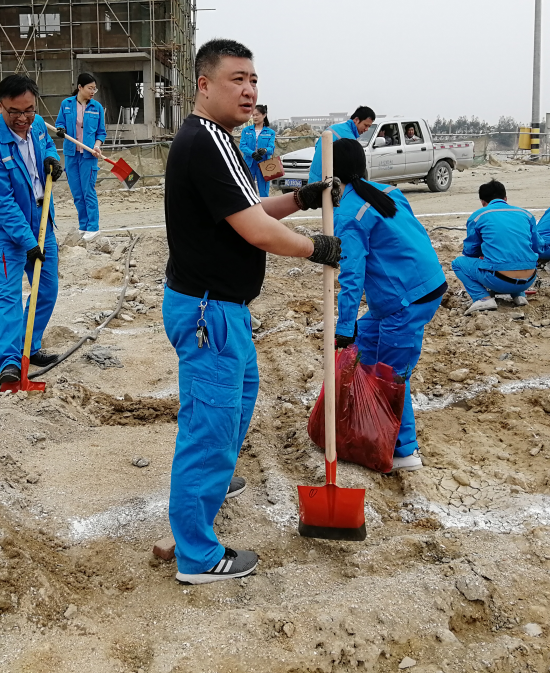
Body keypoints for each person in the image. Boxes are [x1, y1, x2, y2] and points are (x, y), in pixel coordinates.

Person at [163, 38, 342, 584]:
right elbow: (255, 231)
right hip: (208, 312)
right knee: (210, 429)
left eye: (254, 80)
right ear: (205, 84)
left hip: (222, 309)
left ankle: (212, 485)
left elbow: (249, 208)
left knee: (236, 405)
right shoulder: (203, 142)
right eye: (237, 79)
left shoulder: (220, 140)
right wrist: (314, 247)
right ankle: (197, 555)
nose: (249, 89)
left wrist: (301, 199)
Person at [333, 138, 447, 473]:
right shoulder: (386, 192)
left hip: (406, 300)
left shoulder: (350, 214)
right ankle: (362, 416)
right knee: (364, 341)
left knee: (392, 374)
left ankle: (405, 451)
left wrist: (342, 327)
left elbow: (352, 276)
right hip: (420, 284)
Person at [0, 74, 64, 384]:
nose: (23, 118)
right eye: (15, 112)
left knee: (46, 289)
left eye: (29, 110)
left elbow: (48, 144)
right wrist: (27, 241)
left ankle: (30, 344)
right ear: (0, 107)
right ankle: (10, 362)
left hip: (42, 222)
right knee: (8, 296)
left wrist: (52, 157)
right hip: (7, 233)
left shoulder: (36, 126)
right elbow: (2, 203)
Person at [452, 179, 542, 314]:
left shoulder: (479, 216)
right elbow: (537, 247)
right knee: (515, 256)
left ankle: (482, 299)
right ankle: (519, 296)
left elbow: (470, 251)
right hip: (529, 278)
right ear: (505, 198)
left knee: (458, 263)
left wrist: (484, 254)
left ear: (483, 202)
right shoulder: (526, 215)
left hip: (498, 279)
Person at [55, 73, 107, 241]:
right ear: (80, 87)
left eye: (95, 88)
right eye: (90, 88)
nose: (93, 91)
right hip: (71, 154)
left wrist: (97, 146)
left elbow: (101, 132)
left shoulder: (97, 107)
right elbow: (59, 123)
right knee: (77, 192)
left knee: (88, 191)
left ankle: (93, 227)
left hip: (89, 155)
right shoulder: (66, 104)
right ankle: (83, 226)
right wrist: (61, 129)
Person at [306, 106, 376, 183]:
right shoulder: (349, 138)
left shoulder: (333, 128)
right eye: (366, 125)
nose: (366, 129)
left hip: (313, 180)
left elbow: (317, 147)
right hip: (326, 183)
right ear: (356, 120)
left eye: (369, 127)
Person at [239, 104, 277, 197]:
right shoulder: (246, 130)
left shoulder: (270, 132)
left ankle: (264, 210)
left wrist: (265, 150)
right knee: (248, 190)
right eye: (253, 115)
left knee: (264, 191)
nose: (255, 117)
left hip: (264, 164)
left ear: (264, 115)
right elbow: (242, 146)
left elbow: (271, 148)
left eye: (257, 115)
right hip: (249, 163)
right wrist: (252, 154)